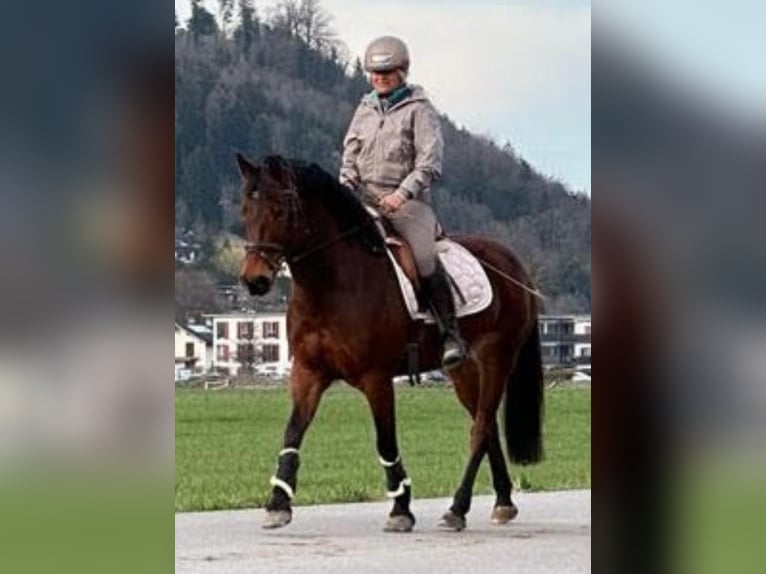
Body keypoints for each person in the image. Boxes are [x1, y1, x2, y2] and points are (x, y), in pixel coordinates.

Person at [339, 36, 467, 368]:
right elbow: (350, 157)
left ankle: (450, 334)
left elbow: (429, 163)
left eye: (387, 72)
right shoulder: (364, 109)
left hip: (408, 204)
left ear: (402, 72)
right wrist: (345, 187)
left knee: (424, 259)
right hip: (363, 200)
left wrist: (402, 194)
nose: (380, 77)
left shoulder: (420, 110)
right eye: (375, 72)